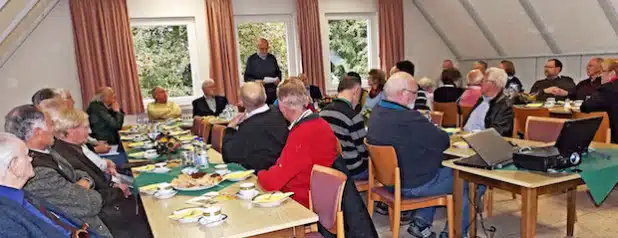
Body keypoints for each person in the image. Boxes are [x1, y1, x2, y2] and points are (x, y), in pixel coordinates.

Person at [366, 72, 475, 238]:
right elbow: (443, 141)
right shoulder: (409, 118)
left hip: (389, 181)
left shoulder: (377, 111)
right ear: (403, 94)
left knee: (432, 166)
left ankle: (420, 223)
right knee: (472, 178)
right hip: (412, 185)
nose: (416, 97)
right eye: (414, 93)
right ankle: (454, 233)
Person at [4, 105, 113, 237]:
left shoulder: (48, 151)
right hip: (93, 223)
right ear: (38, 132)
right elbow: (89, 204)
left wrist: (84, 182)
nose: (54, 129)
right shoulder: (37, 174)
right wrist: (83, 186)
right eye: (51, 124)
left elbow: (79, 173)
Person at [49, 108, 151, 238]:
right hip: (103, 215)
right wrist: (118, 190)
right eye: (86, 127)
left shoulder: (71, 148)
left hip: (107, 201)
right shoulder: (67, 156)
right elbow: (88, 195)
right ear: (70, 130)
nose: (90, 131)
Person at [0, 133, 101, 238]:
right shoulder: (4, 221)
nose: (31, 159)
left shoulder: (23, 195)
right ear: (14, 166)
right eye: (27, 155)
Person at [257, 79, 338, 208]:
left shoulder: (303, 132)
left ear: (282, 106)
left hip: (306, 202)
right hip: (322, 193)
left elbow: (273, 182)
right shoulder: (320, 123)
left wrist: (259, 174)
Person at [222, 82, 289, 172]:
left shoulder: (249, 126)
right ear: (265, 96)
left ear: (241, 102)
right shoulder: (277, 112)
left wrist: (230, 128)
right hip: (281, 169)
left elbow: (228, 156)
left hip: (258, 176)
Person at [31, 88, 111, 154]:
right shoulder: (53, 133)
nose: (72, 101)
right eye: (67, 98)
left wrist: (95, 143)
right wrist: (97, 150)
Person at [320, 76, 369, 180]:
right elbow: (364, 151)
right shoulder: (353, 116)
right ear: (356, 91)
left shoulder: (322, 112)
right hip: (352, 169)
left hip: (330, 167)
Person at [463, 67, 514, 136]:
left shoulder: (505, 106)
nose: (480, 83)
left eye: (483, 80)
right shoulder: (481, 100)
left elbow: (497, 134)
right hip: (464, 137)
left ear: (493, 83)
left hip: (481, 141)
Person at [580, 59, 618, 144]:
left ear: (612, 73)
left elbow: (585, 107)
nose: (600, 75)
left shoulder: (608, 89)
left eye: (603, 72)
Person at [244, 38, 282, 104]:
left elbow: (278, 72)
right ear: (257, 47)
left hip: (273, 93)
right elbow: (246, 78)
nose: (264, 51)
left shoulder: (272, 58)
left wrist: (278, 79)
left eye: (266, 49)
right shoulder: (251, 60)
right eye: (262, 49)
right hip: (258, 94)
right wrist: (255, 81)